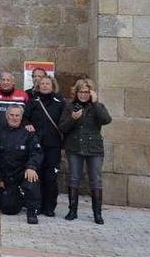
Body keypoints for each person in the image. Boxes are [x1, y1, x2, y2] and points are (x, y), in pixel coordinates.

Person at [60, 78, 112, 224]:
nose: (83, 95)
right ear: (76, 93)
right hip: (74, 147)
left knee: (95, 179)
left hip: (94, 148)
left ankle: (97, 213)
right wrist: (72, 119)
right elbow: (62, 127)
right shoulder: (70, 107)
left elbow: (106, 120)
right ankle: (72, 210)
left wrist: (95, 103)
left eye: (86, 92)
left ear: (91, 93)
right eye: (81, 91)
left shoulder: (97, 106)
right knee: (74, 177)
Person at [0, 105, 42, 224]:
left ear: (21, 117)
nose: (14, 118)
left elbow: (36, 152)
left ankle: (32, 212)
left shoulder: (29, 133)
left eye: (17, 115)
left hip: (22, 173)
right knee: (8, 209)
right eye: (11, 115)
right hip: (5, 175)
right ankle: (16, 199)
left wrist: (31, 167)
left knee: (32, 178)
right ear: (6, 116)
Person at [23, 75, 64, 217]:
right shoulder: (33, 102)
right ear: (38, 86)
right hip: (37, 145)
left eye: (48, 83)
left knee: (51, 176)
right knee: (37, 175)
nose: (45, 86)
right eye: (42, 84)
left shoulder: (60, 103)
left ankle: (49, 206)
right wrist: (27, 124)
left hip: (53, 145)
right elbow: (25, 117)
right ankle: (37, 205)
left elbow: (64, 122)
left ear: (53, 86)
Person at [0, 72, 29, 142]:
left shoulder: (22, 96)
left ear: (13, 82)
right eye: (3, 80)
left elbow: (27, 117)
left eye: (8, 80)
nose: (5, 82)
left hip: (17, 138)